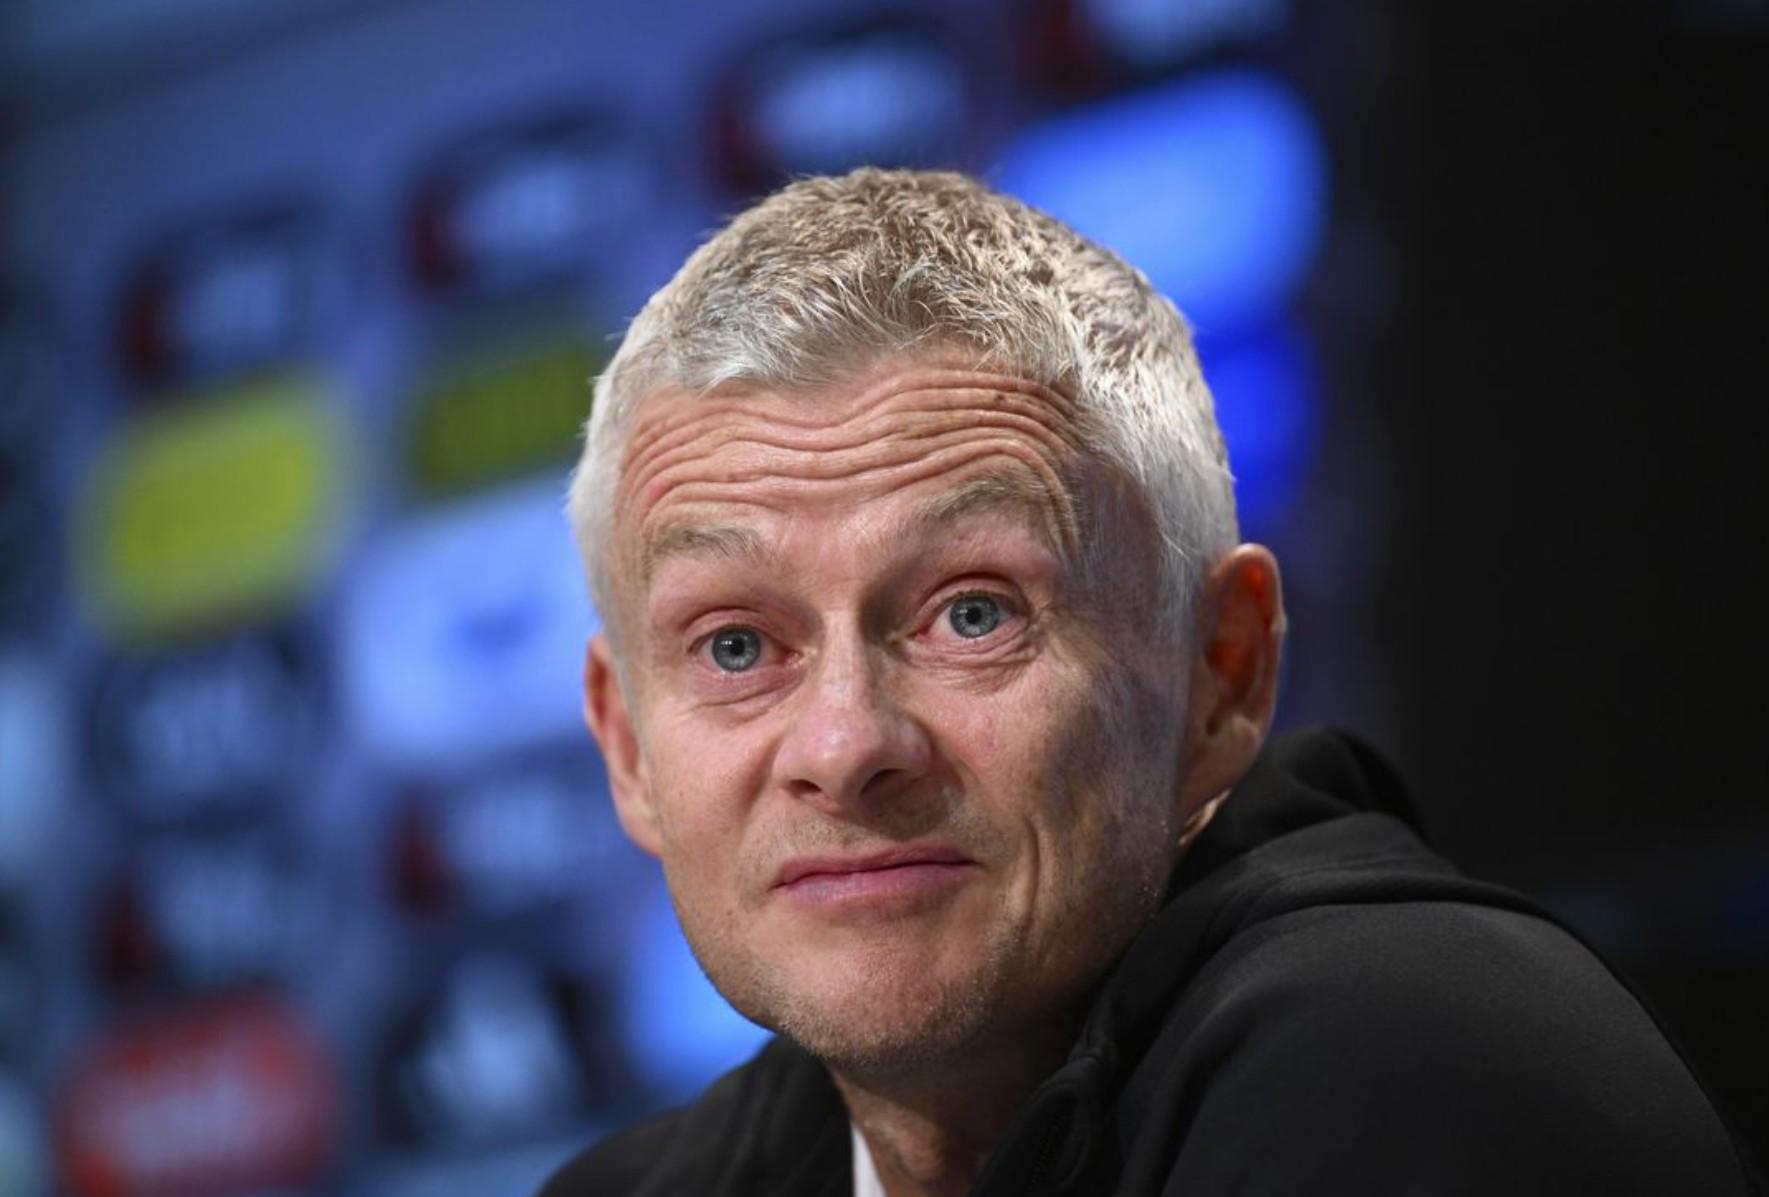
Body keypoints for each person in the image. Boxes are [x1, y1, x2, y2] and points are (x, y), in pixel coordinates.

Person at [542, 168, 1757, 1196]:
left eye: (972, 614)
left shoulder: (1414, 1062)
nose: (845, 744)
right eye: (736, 647)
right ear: (627, 746)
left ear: (1220, 672)